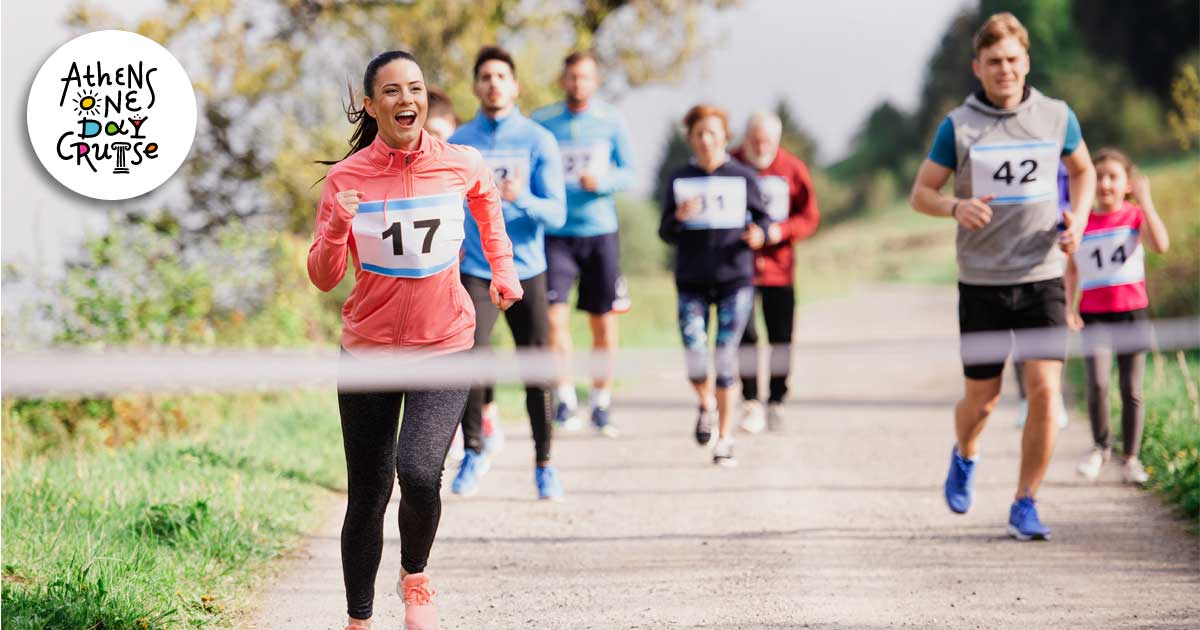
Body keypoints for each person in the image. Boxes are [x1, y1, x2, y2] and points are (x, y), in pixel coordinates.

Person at [308, 50, 520, 630]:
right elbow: (324, 275)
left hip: (445, 343)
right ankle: (359, 618)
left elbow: (487, 204)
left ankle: (416, 577)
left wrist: (503, 269)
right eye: (394, 92)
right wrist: (335, 228)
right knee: (369, 492)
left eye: (417, 89)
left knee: (421, 470)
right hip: (368, 353)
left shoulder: (460, 162)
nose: (409, 100)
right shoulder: (346, 179)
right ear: (372, 106)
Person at [908, 12, 1095, 541]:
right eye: (994, 62)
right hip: (983, 283)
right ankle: (966, 452)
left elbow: (1082, 169)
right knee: (983, 401)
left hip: (1042, 275)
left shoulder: (1057, 117)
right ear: (978, 67)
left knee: (1044, 392)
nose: (1005, 70)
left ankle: (1025, 502)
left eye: (1013, 60)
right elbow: (920, 193)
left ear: (1027, 62)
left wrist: (1077, 219)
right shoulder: (958, 126)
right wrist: (954, 208)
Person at [449, 45, 567, 500]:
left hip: (528, 269)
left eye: (501, 76)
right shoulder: (461, 142)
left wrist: (520, 198)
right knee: (470, 355)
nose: (493, 83)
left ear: (514, 86)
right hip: (477, 268)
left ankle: (545, 463)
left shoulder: (539, 141)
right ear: (475, 87)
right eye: (485, 77)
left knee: (536, 367)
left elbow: (557, 214)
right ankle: (475, 451)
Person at [659, 104, 771, 467]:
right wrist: (678, 217)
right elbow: (664, 231)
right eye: (698, 134)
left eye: (712, 133)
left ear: (725, 136)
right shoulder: (679, 179)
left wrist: (761, 234)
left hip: (734, 281)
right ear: (690, 139)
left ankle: (725, 439)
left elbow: (765, 220)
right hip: (691, 280)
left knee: (724, 359)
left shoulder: (743, 177)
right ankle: (705, 403)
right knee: (695, 355)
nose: (706, 140)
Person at [532, 50, 636, 438]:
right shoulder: (543, 122)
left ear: (595, 82)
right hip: (557, 233)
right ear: (563, 80)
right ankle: (564, 398)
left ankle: (601, 402)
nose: (578, 84)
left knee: (603, 323)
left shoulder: (611, 121)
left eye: (586, 78)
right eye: (572, 77)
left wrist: (604, 181)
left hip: (599, 232)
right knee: (555, 318)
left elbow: (630, 171)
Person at [1068, 148, 1169, 484]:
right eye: (1097, 176)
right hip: (1094, 316)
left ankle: (1131, 458)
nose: (1104, 183)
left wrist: (1146, 202)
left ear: (1127, 183)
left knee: (1131, 388)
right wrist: (1069, 306)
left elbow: (1161, 245)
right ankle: (1100, 447)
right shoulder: (1081, 220)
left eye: (1113, 176)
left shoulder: (1135, 217)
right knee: (1097, 382)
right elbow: (1071, 268)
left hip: (1132, 314)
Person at [732, 111, 820, 433]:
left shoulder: (792, 168)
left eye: (766, 140)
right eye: (755, 139)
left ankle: (778, 399)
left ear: (777, 140)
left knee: (780, 338)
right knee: (746, 336)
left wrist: (778, 233)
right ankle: (751, 400)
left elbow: (809, 217)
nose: (760, 145)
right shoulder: (731, 165)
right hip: (739, 268)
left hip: (780, 270)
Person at [1014, 161, 1072, 431]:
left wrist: (1073, 221)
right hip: (1018, 252)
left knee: (1054, 326)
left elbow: (1076, 197)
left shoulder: (1066, 158)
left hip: (1057, 248)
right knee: (1019, 331)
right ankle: (1026, 399)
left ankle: (1053, 396)